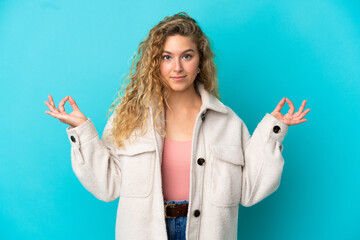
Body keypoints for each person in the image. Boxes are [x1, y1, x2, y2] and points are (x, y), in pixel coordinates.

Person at [44, 12, 310, 240]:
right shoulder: (130, 118)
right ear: (155, 63)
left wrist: (272, 133)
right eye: (167, 57)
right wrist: (82, 131)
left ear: (200, 61)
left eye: (187, 55)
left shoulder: (228, 122)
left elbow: (249, 191)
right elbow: (107, 186)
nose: (177, 67)